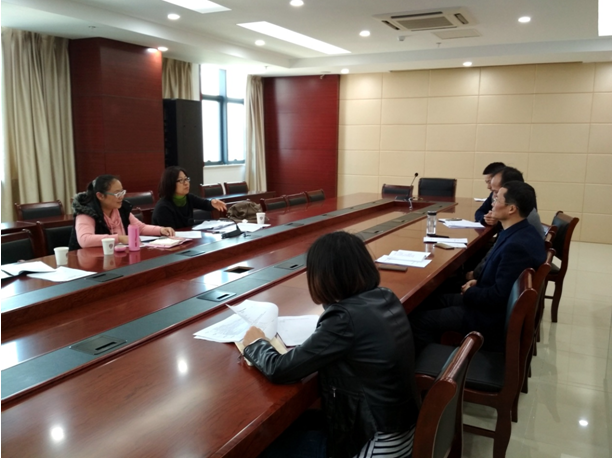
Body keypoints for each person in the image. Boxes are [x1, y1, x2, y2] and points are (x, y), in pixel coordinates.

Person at [242, 231, 420, 458]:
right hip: (401, 428)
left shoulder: (344, 319)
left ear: (323, 276)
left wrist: (256, 344)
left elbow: (280, 369)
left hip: (377, 443)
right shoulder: (385, 296)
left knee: (263, 448)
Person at [410, 181, 546, 353]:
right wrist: (478, 282)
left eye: (497, 200)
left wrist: (471, 292)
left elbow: (498, 297)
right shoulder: (521, 232)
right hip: (487, 300)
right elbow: (502, 279)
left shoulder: (516, 246)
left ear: (511, 209)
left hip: (488, 316)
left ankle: (434, 363)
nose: (492, 203)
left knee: (419, 321)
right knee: (429, 301)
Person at [69, 175, 175, 250]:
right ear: (100, 196)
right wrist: (119, 238)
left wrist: (161, 230)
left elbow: (140, 228)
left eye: (122, 192)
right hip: (88, 262)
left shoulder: (120, 208)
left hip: (115, 256)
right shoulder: (86, 212)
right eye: (117, 194)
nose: (121, 197)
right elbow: (85, 240)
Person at [152, 166, 227, 229]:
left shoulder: (188, 198)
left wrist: (212, 203)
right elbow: (169, 233)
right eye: (180, 180)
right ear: (170, 183)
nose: (186, 183)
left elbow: (204, 204)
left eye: (186, 179)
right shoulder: (163, 207)